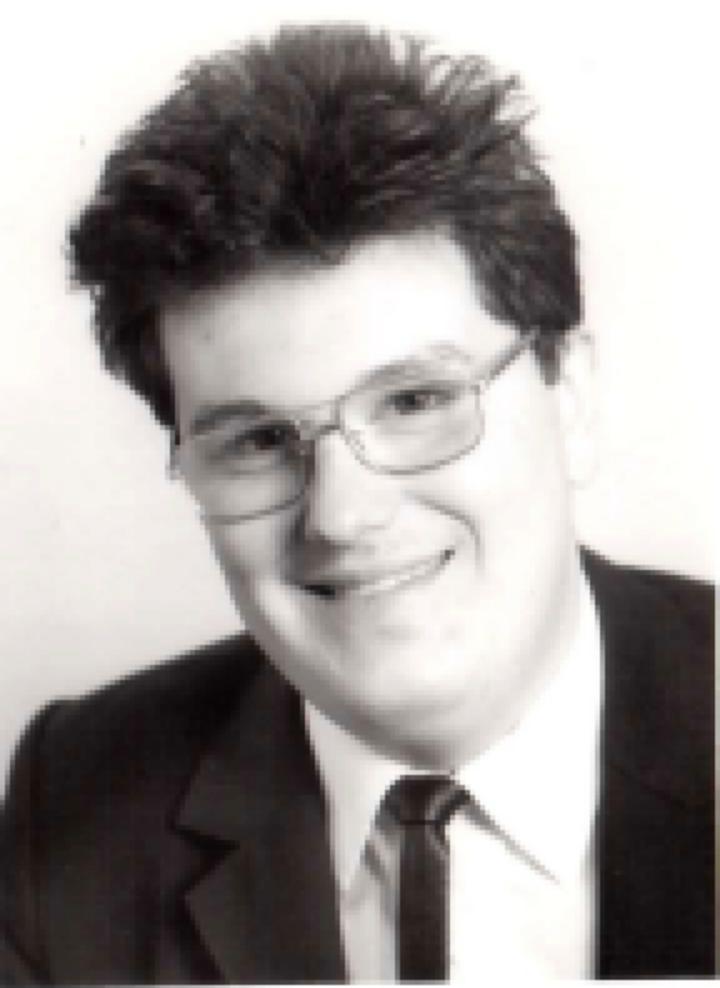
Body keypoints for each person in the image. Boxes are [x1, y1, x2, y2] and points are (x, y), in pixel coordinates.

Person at [0, 24, 713, 984]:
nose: (341, 516)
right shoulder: (73, 801)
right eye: (258, 442)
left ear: (571, 396)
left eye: (415, 402)